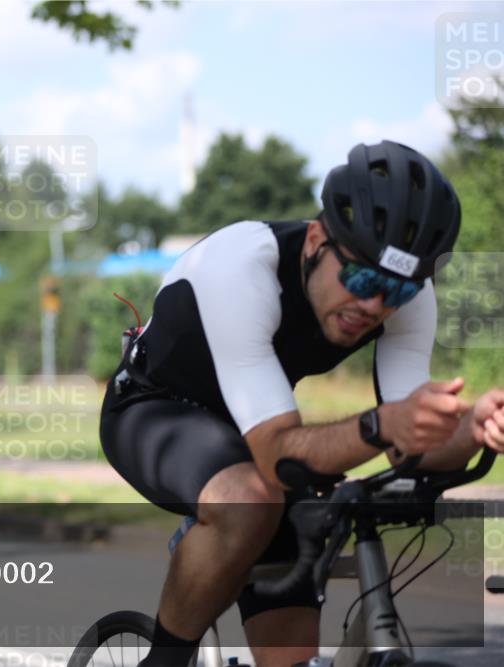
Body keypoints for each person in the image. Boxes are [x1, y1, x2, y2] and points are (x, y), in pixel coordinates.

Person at [98, 140, 504, 667]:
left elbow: (415, 446)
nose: (374, 305)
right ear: (316, 239)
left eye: (396, 292)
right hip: (156, 410)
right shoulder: (242, 266)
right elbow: (279, 456)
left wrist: (472, 426)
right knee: (254, 496)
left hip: (256, 425)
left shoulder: (406, 295)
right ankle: (167, 661)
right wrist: (385, 425)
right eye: (361, 279)